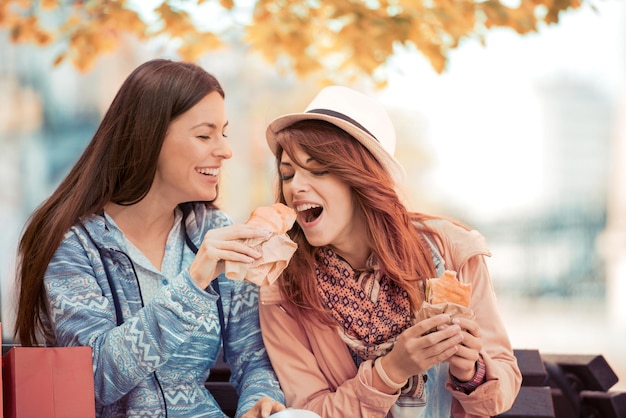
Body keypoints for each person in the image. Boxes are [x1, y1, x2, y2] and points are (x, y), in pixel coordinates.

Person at [13, 58, 286, 418]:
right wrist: (193, 284)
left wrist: (259, 401)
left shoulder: (214, 231)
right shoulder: (75, 246)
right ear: (150, 137)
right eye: (205, 135)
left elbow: (253, 357)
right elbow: (94, 379)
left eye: (224, 132)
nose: (225, 150)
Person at [259, 86, 522, 418]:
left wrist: (471, 370)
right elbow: (309, 411)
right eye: (287, 174)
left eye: (318, 170)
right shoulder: (284, 285)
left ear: (363, 179)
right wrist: (392, 370)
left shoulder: (451, 252)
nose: (295, 186)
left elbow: (503, 384)